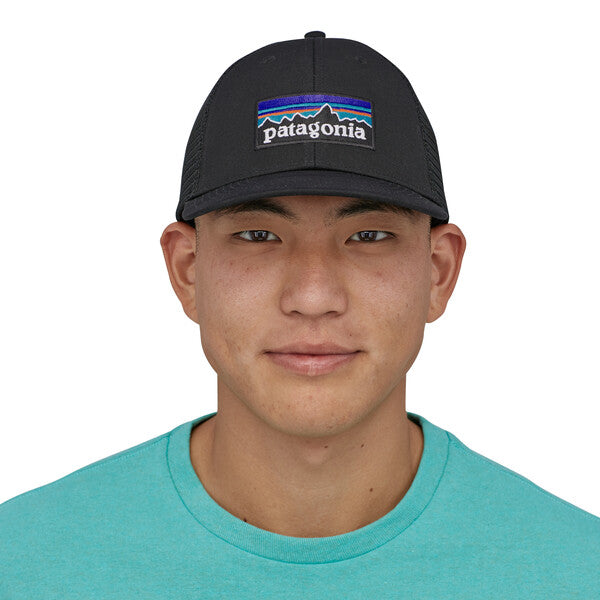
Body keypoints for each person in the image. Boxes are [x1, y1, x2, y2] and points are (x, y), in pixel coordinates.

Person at [1, 31, 598, 598]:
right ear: (187, 270)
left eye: (368, 236)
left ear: (439, 272)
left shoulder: (578, 572)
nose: (313, 297)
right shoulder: (21, 563)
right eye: (258, 235)